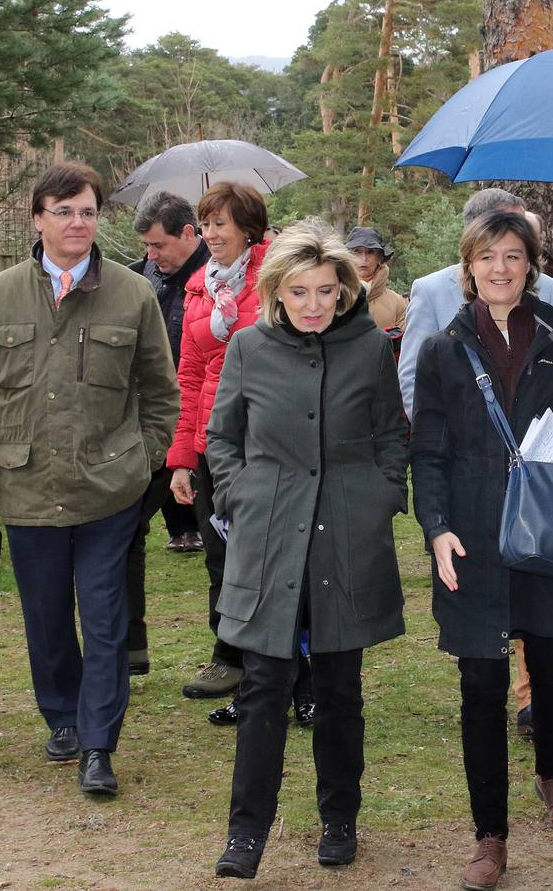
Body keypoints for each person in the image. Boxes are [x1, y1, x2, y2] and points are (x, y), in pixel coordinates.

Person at [0, 162, 178, 795]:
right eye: (64, 211)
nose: (78, 222)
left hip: (109, 492)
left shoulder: (133, 294)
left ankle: (99, 745)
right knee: (47, 618)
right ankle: (64, 719)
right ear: (37, 219)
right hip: (26, 489)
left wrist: (141, 459)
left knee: (105, 620)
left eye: (88, 212)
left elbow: (161, 394)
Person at [411, 209, 553, 891]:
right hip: (471, 532)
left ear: (532, 265)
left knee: (552, 664)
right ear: (468, 266)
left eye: (513, 256)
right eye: (487, 256)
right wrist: (436, 527)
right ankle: (489, 834)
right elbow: (427, 451)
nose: (500, 268)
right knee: (480, 685)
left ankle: (552, 774)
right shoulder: (443, 349)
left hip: (545, 524)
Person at [206, 220, 408, 880]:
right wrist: (239, 495)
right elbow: (223, 437)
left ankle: (339, 818)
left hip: (346, 538)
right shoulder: (248, 348)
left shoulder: (370, 348)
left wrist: (382, 497)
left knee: (339, 688)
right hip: (268, 537)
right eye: (299, 291)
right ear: (277, 292)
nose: (313, 304)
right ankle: (246, 833)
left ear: (345, 289)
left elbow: (390, 434)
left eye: (325, 290)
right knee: (264, 685)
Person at [162, 182, 298, 716]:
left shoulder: (278, 279)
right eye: (206, 224)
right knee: (222, 560)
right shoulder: (199, 287)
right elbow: (188, 377)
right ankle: (230, 657)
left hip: (266, 444)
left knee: (274, 559)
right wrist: (181, 459)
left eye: (221, 223)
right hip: (210, 447)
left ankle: (292, 672)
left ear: (248, 227)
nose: (211, 234)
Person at [122, 191, 210, 678]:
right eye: (147, 247)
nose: (151, 255)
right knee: (126, 532)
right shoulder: (141, 278)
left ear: (188, 234)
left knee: (223, 544)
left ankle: (232, 656)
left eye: (158, 245)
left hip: (204, 431)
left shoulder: (215, 279)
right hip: (149, 430)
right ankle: (130, 648)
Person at [397, 188, 553, 419]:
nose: (521, 233)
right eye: (509, 223)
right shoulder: (431, 291)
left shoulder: (546, 286)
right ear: (476, 229)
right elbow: (413, 379)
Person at [346, 225, 407, 335]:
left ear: (380, 258)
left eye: (370, 252)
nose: (364, 258)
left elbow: (405, 342)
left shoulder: (398, 303)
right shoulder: (333, 296)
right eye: (357, 251)